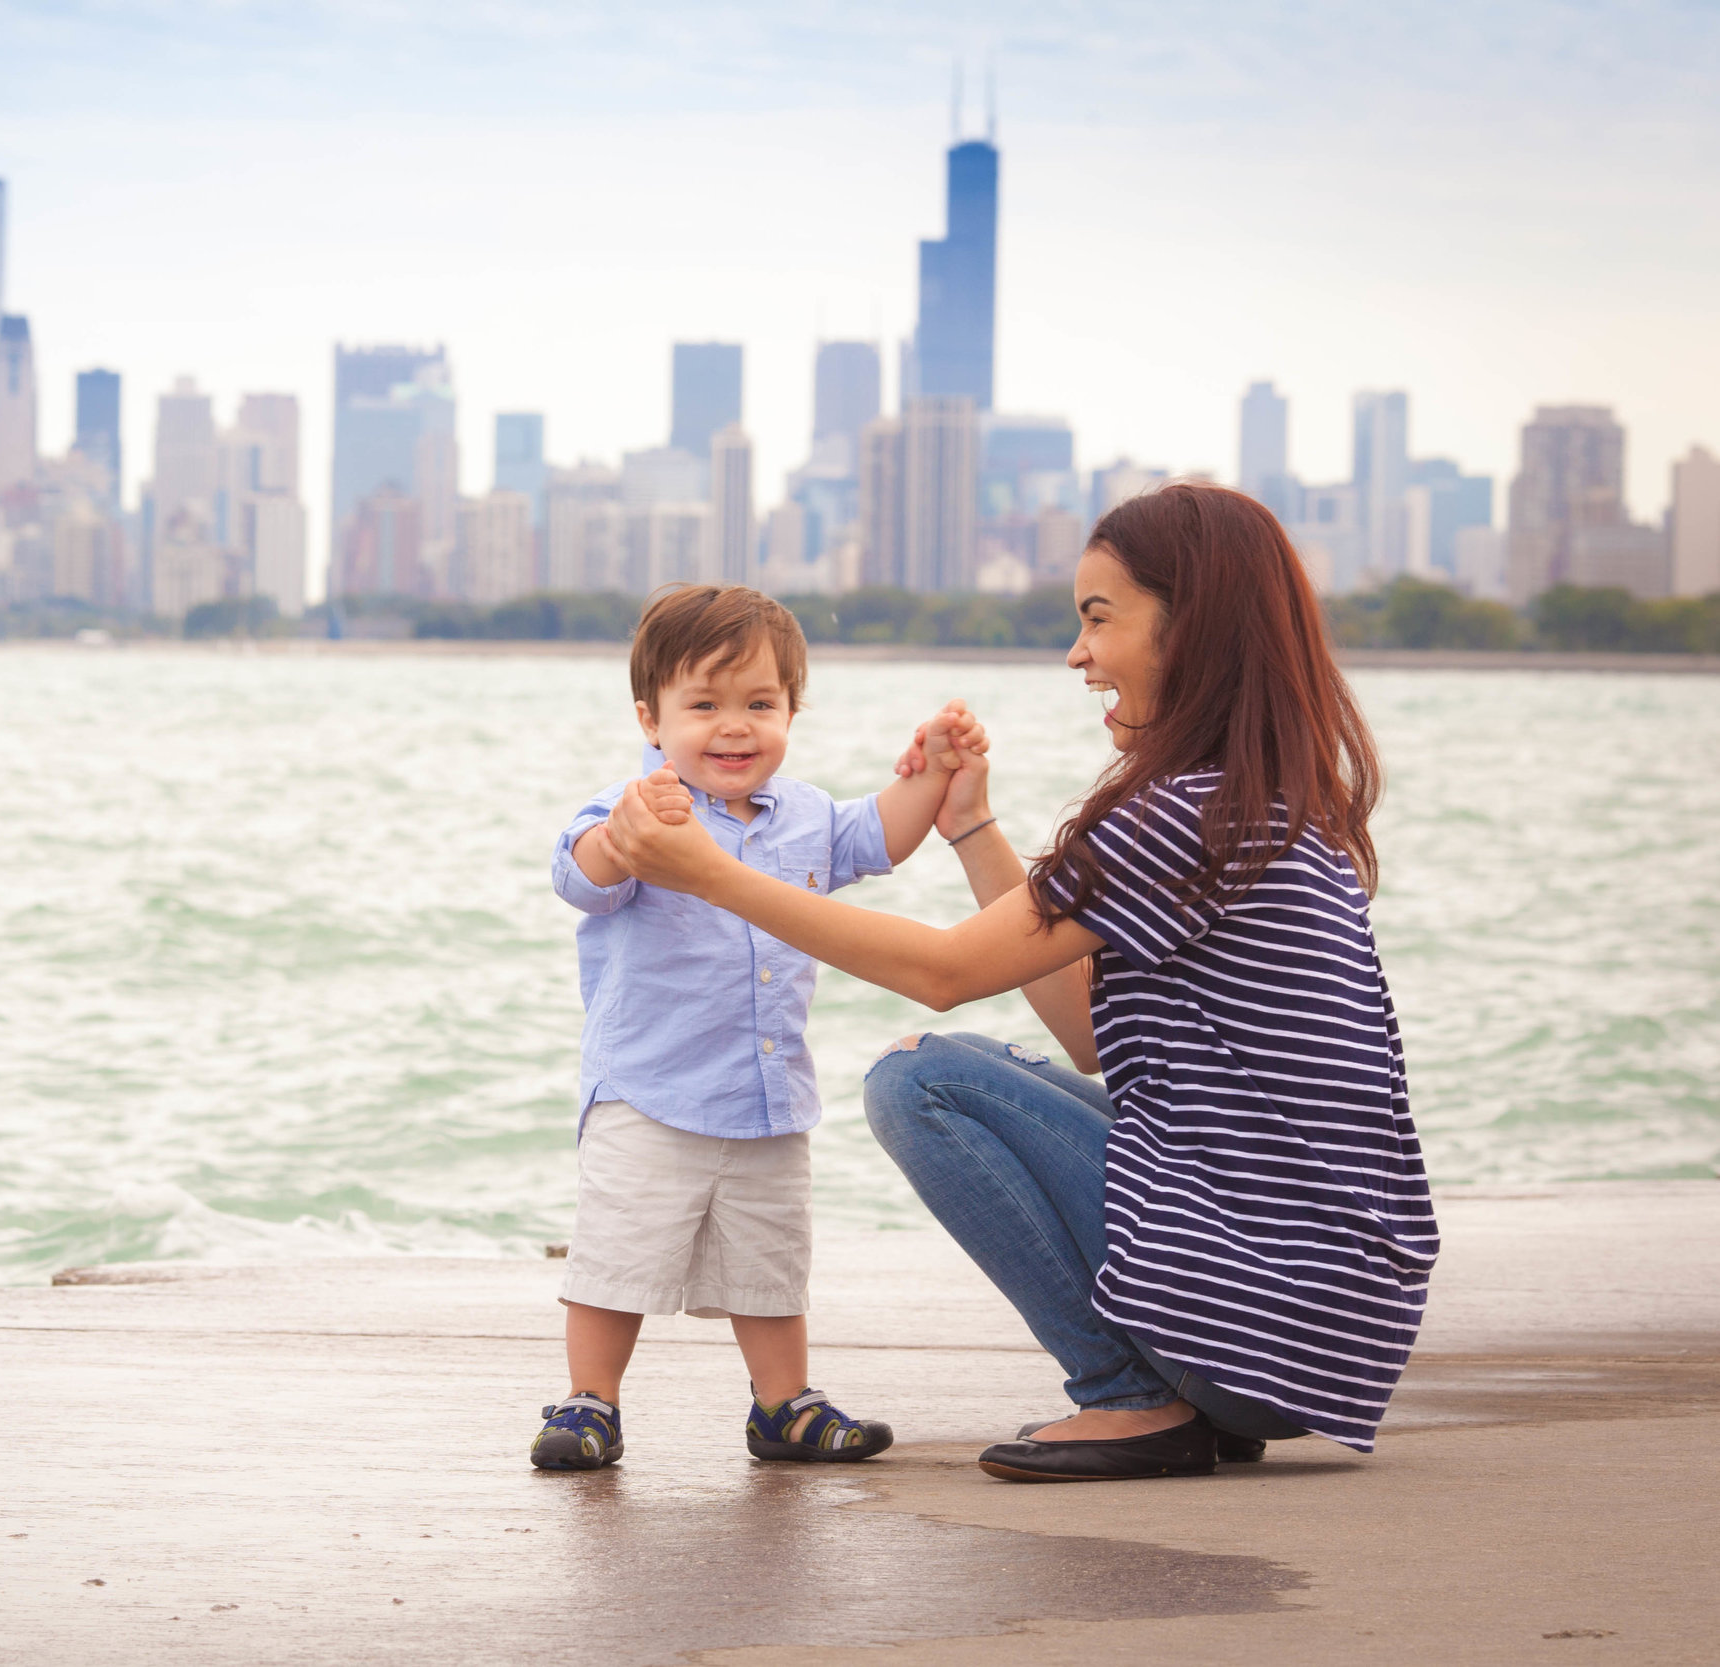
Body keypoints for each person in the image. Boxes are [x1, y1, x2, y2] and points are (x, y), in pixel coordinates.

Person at [602, 485, 1437, 1482]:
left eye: (1097, 617)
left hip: (1255, 1312)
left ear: (1193, 628)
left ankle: (1131, 1396)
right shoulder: (1275, 807)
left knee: (921, 1080)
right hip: (1315, 1330)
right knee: (979, 1068)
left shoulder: (1180, 815)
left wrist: (711, 874)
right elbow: (1088, 1034)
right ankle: (1184, 1384)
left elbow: (943, 972)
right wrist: (966, 824)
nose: (1077, 655)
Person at [531, 582, 987, 1472]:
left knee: (771, 1264)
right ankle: (592, 1400)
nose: (734, 726)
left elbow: (882, 836)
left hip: (768, 1094)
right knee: (617, 1259)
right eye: (702, 705)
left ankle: (783, 1403)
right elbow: (579, 873)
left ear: (791, 710)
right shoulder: (638, 806)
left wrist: (933, 771)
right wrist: (624, 839)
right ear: (649, 718)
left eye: (760, 704)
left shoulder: (808, 814)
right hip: (648, 1090)